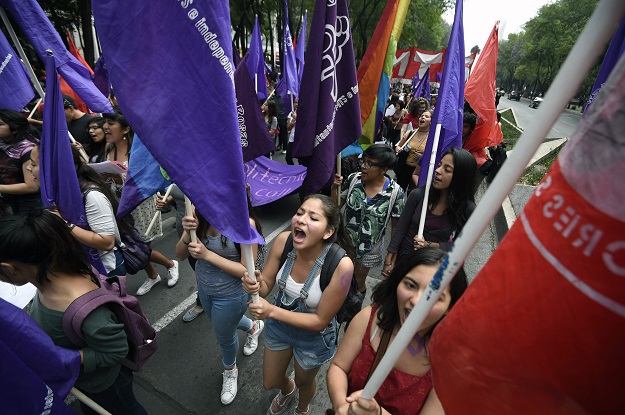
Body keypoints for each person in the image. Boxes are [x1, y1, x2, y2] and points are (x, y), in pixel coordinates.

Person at [0, 209, 147, 415]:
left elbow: (116, 350)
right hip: (85, 382)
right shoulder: (51, 276)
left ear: (9, 268)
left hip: (104, 385)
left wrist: (67, 357)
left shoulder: (82, 306)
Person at [242, 194, 354, 415]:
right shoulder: (284, 242)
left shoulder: (342, 265)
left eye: (313, 217)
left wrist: (271, 310)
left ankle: (303, 408)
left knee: (305, 382)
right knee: (270, 381)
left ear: (328, 231)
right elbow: (265, 288)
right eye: (299, 213)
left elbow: (320, 321)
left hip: (313, 338)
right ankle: (287, 390)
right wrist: (255, 283)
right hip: (279, 327)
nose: (301, 219)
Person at [326, 249, 468, 415]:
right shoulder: (371, 319)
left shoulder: (447, 365)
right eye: (410, 285)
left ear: (450, 307)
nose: (416, 301)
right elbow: (338, 367)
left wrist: (378, 413)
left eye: (435, 295)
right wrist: (341, 405)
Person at [175, 204, 265, 405]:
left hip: (231, 295)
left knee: (224, 336)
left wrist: (207, 255)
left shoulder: (245, 223)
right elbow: (180, 255)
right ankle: (253, 327)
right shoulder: (200, 217)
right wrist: (186, 231)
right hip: (205, 290)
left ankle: (230, 369)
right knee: (220, 324)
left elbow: (247, 270)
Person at [102, 110, 179, 295]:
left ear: (126, 129)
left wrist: (118, 178)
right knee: (133, 246)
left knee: (141, 247)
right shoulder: (107, 148)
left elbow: (145, 180)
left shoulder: (139, 151)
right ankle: (153, 275)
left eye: (111, 123)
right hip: (119, 205)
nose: (105, 127)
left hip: (141, 205)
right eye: (105, 122)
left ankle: (170, 264)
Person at [26, 145, 127, 277]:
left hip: (105, 270)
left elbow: (106, 242)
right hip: (80, 267)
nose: (28, 168)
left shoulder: (92, 196)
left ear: (52, 169)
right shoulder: (56, 195)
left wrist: (63, 223)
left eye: (33, 164)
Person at [384, 148, 477, 276]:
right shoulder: (417, 195)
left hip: (432, 268)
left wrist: (430, 245)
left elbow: (460, 247)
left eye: (447, 169)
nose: (438, 171)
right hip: (405, 259)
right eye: (439, 165)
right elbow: (401, 227)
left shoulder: (467, 209)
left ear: (461, 177)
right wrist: (390, 254)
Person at [331, 144, 405, 301]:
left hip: (369, 249)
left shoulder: (395, 193)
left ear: (383, 169)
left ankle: (352, 314)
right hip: (344, 243)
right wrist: (334, 189)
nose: (363, 166)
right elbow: (335, 207)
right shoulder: (353, 180)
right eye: (363, 161)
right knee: (338, 279)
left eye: (370, 163)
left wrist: (390, 260)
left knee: (357, 282)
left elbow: (396, 230)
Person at [0, 109, 41, 216]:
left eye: (0, 124)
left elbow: (31, 186)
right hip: (9, 201)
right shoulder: (3, 144)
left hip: (29, 205)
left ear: (14, 129)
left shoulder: (28, 149)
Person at [395, 109, 433, 191]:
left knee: (413, 194)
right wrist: (398, 148)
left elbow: (434, 156)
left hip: (418, 172)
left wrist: (423, 157)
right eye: (421, 116)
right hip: (404, 169)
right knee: (399, 191)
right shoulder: (410, 133)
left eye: (426, 117)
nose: (422, 118)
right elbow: (398, 146)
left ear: (431, 122)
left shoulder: (432, 138)